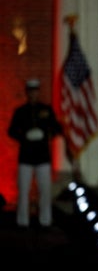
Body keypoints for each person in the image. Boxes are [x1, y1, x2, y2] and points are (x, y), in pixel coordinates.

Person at [8, 78, 63, 229]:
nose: (33, 94)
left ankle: (45, 220)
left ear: (38, 92)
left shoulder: (46, 109)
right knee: (23, 191)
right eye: (30, 91)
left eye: (35, 91)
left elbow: (57, 128)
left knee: (45, 191)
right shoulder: (20, 112)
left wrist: (45, 135)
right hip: (25, 157)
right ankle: (22, 221)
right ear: (27, 93)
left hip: (42, 156)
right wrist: (24, 135)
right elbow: (11, 131)